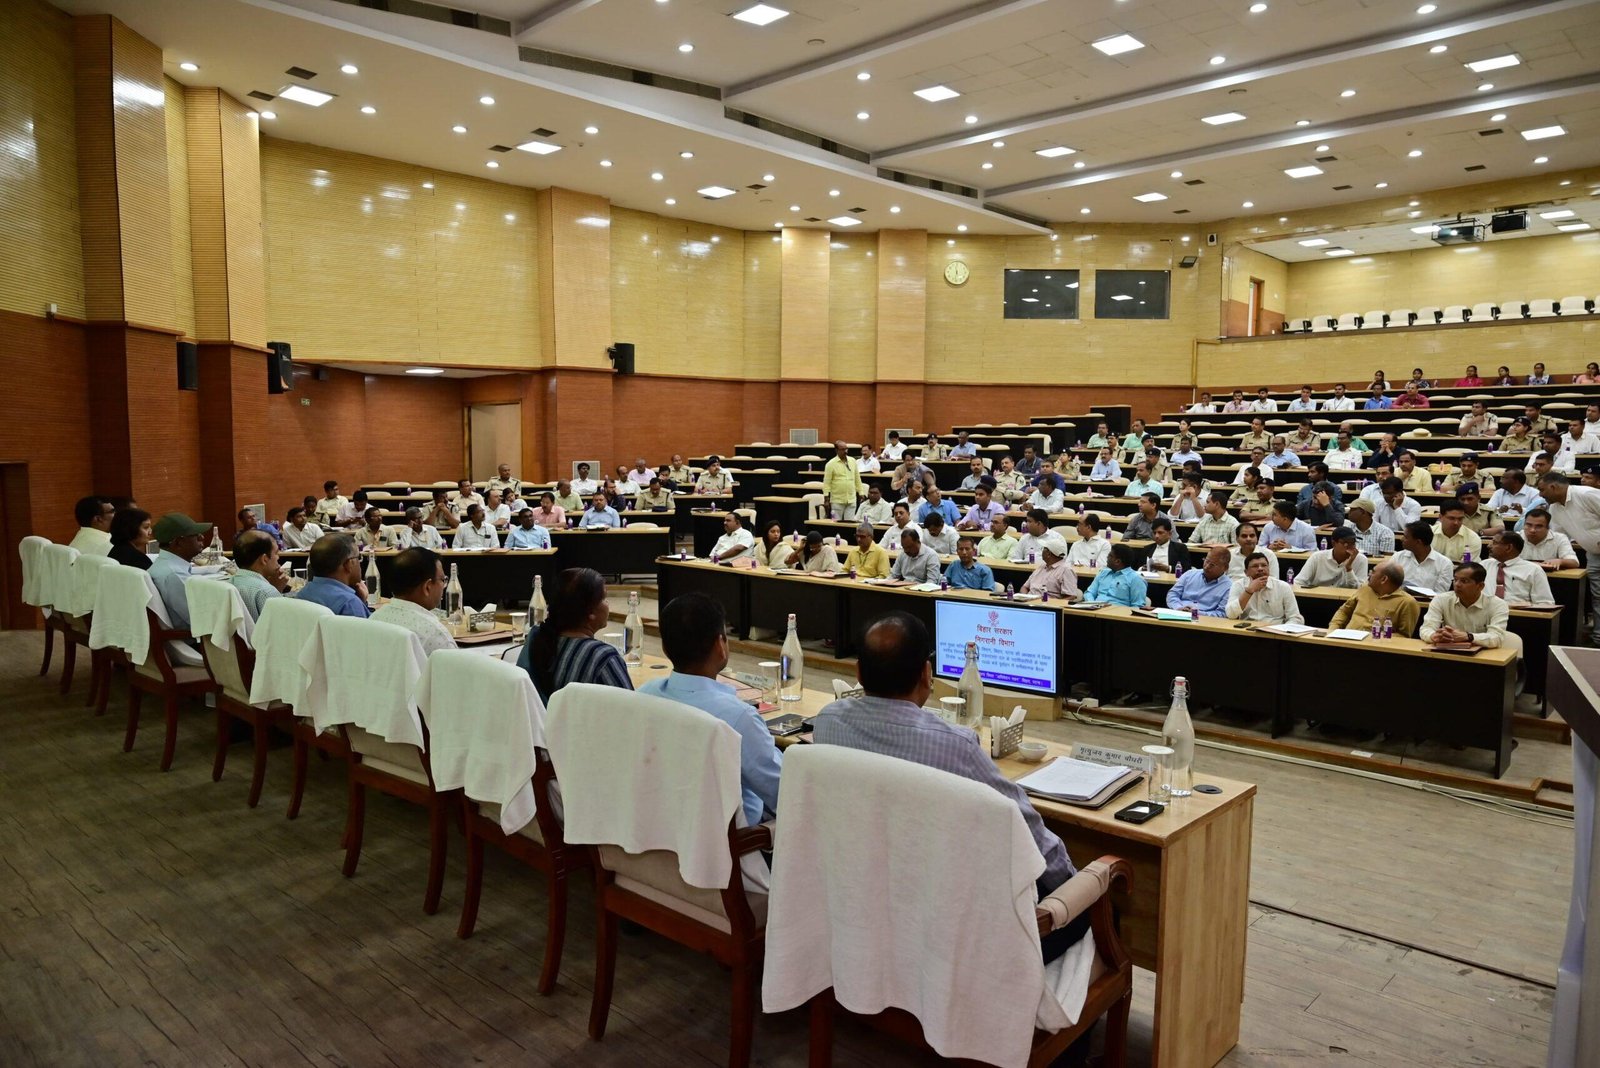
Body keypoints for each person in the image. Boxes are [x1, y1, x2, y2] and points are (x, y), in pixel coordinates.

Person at [519, 568, 632, 703]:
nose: (607, 604)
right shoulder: (603, 658)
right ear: (591, 612)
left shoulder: (538, 639)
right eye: (604, 599)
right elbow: (633, 711)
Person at [364, 547, 454, 656]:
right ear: (428, 587)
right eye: (443, 580)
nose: (444, 586)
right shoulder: (437, 635)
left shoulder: (374, 619)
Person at [148, 513, 215, 630]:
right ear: (178, 543)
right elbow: (200, 619)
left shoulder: (165, 566)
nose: (202, 537)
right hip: (192, 638)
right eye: (195, 535)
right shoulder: (173, 576)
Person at [1420, 563, 1508, 647]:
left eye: (1464, 581)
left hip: (1483, 654)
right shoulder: (1441, 600)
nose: (1457, 584)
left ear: (1480, 586)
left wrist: (1469, 637)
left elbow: (1497, 637)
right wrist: (1433, 636)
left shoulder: (1497, 605)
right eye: (1455, 580)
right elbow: (1426, 628)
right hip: (1448, 651)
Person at [1327, 560, 1420, 635]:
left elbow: (1404, 635)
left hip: (1377, 647)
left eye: (1373, 572)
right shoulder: (1365, 589)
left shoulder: (1407, 602)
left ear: (1383, 579)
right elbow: (1344, 612)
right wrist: (1333, 629)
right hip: (1347, 640)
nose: (1369, 574)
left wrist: (1377, 637)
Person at [294, 533, 370, 618]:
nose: (359, 563)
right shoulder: (349, 603)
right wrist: (360, 604)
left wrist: (361, 602)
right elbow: (365, 626)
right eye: (358, 558)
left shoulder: (303, 593)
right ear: (349, 564)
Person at [1228, 552, 1304, 625]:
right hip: (1246, 630)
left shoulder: (1282, 587)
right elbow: (1231, 614)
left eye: (1264, 565)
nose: (1260, 568)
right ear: (1246, 572)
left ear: (1269, 568)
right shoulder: (1238, 585)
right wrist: (1249, 591)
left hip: (1275, 630)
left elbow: (1295, 618)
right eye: (1255, 566)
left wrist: (1284, 630)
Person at [1483, 531, 1554, 604]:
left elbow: (1545, 603)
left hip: (1517, 610)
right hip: (1486, 609)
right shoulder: (1484, 565)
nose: (1489, 545)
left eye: (1494, 543)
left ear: (1509, 547)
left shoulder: (1533, 570)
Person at [1167, 546, 1231, 616]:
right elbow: (1173, 594)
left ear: (1225, 567)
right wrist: (1178, 607)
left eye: (1212, 565)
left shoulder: (1229, 587)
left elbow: (1221, 613)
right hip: (1178, 613)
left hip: (1204, 620)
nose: (1206, 566)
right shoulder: (1190, 574)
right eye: (1206, 561)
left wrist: (1196, 613)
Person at [1393, 520, 1454, 592]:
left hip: (1431, 599)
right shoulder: (1398, 557)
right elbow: (1390, 585)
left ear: (1418, 542)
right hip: (1400, 598)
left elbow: (1440, 593)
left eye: (1406, 537)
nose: (1402, 539)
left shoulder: (1445, 563)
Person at [1083, 543, 1149, 606]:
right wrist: (1091, 604)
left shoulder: (1136, 579)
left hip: (1118, 612)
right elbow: (1089, 592)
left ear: (1117, 561)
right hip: (1095, 610)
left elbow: (1137, 606)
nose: (1107, 557)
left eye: (1110, 556)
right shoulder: (1103, 573)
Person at [1019, 533, 1076, 599]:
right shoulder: (1042, 566)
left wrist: (1055, 604)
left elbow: (1071, 596)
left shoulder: (1066, 570)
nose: (1041, 551)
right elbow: (1025, 587)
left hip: (1047, 603)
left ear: (1049, 554)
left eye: (1043, 549)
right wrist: (1025, 597)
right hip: (1029, 601)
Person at [821, 440, 865, 521]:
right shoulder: (830, 464)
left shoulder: (852, 461)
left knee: (849, 523)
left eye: (846, 449)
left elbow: (857, 478)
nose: (845, 451)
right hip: (837, 500)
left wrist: (861, 492)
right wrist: (826, 499)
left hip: (851, 499)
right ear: (836, 450)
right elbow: (826, 483)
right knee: (836, 523)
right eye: (842, 449)